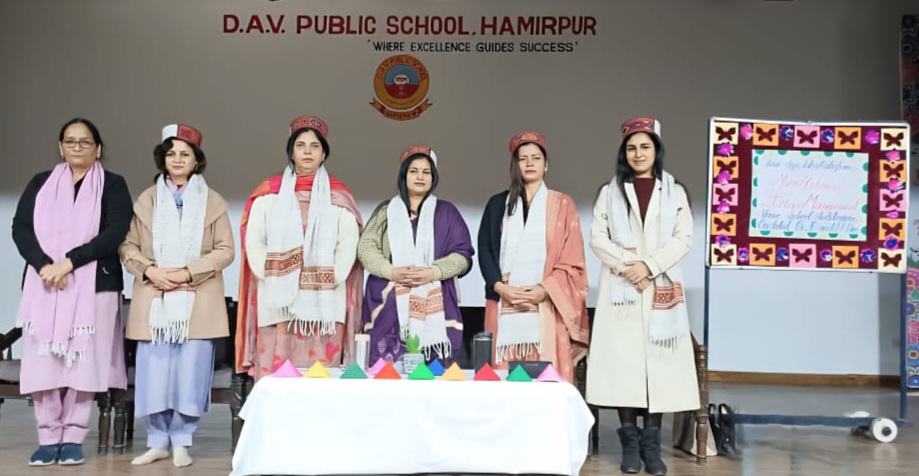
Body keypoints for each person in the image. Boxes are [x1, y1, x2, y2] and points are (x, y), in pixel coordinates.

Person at [12, 117, 131, 466]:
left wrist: (68, 263)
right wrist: (45, 265)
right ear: (60, 147)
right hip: (44, 283)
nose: (77, 147)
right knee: (45, 362)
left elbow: (114, 232)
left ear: (98, 148)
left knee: (84, 363)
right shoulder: (40, 182)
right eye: (70, 141)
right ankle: (48, 437)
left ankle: (74, 436)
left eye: (85, 141)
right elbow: (21, 228)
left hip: (94, 285)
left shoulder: (113, 184)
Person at [585, 117, 699, 476]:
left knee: (658, 369)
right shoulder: (609, 192)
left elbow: (683, 238)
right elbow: (598, 238)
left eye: (645, 147)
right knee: (626, 367)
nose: (638, 153)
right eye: (631, 148)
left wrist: (648, 266)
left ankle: (652, 447)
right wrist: (627, 265)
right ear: (624, 152)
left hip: (659, 286)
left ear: (656, 150)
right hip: (622, 289)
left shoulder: (675, 191)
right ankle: (630, 446)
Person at [119, 124, 235, 467]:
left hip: (197, 299)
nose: (178, 159)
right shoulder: (146, 200)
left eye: (185, 154)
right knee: (154, 375)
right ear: (163, 159)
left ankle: (182, 441)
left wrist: (187, 273)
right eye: (171, 153)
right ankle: (157, 441)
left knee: (190, 374)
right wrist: (150, 271)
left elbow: (226, 250)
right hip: (154, 297)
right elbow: (128, 246)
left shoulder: (213, 201)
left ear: (197, 161)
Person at [235, 115, 363, 380]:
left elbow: (347, 246)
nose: (307, 152)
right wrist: (275, 275)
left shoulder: (339, 198)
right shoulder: (268, 195)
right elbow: (255, 242)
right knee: (277, 380)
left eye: (315, 146)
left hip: (325, 305)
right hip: (277, 300)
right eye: (301, 145)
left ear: (324, 154)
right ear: (291, 152)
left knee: (320, 381)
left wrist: (324, 278)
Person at [476, 132, 590, 383]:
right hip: (502, 301)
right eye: (523, 158)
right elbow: (485, 249)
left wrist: (545, 290)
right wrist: (500, 287)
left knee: (547, 382)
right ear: (515, 165)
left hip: (548, 305)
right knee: (503, 380)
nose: (529, 163)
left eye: (536, 158)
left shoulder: (563, 205)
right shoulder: (497, 204)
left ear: (546, 164)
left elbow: (573, 259)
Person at [358, 146, 474, 369]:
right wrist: (391, 272)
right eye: (414, 171)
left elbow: (463, 256)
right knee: (387, 375)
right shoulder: (385, 211)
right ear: (404, 175)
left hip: (435, 298)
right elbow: (366, 248)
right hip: (389, 302)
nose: (420, 176)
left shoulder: (447, 212)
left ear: (433, 177)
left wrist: (433, 272)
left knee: (433, 375)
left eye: (426, 172)